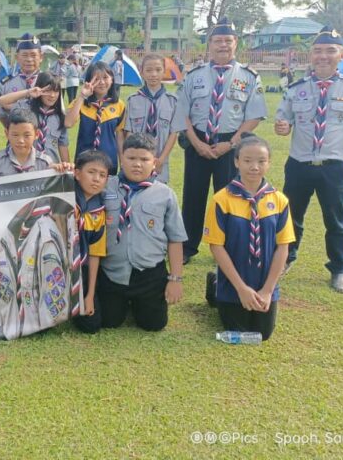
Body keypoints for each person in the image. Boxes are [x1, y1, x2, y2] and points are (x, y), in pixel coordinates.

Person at [274, 26, 343, 293]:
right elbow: (283, 120)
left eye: (330, 50)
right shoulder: (296, 88)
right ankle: (285, 259)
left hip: (334, 166)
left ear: (342, 55)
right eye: (318, 51)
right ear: (311, 55)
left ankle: (339, 268)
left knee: (336, 220)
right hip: (299, 164)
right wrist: (282, 127)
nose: (323, 56)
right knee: (291, 216)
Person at [173, 17, 267, 264]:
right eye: (217, 41)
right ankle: (188, 247)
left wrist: (232, 143)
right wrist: (196, 143)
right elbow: (182, 112)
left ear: (236, 43)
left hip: (231, 144)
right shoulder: (193, 75)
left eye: (228, 40)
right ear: (209, 44)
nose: (223, 45)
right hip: (197, 141)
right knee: (193, 197)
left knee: (230, 198)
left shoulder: (249, 77)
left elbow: (254, 115)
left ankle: (228, 246)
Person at [203, 133, 295, 340]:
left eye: (261, 161)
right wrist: (241, 289)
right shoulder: (222, 199)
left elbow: (283, 247)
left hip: (264, 281)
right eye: (247, 161)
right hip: (234, 283)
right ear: (236, 162)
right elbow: (216, 246)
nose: (254, 167)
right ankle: (216, 284)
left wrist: (267, 290)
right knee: (238, 329)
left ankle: (254, 291)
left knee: (263, 333)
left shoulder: (279, 200)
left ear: (269, 163)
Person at [99, 134, 186, 332]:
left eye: (144, 159)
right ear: (121, 159)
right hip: (112, 272)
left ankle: (140, 303)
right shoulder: (105, 187)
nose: (137, 164)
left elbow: (175, 239)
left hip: (149, 274)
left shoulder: (165, 194)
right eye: (131, 158)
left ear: (154, 162)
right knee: (108, 321)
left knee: (153, 324)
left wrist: (175, 279)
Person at [72, 149, 112, 334]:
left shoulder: (99, 212)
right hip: (56, 266)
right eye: (91, 172)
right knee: (43, 327)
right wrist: (58, 167)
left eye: (102, 175)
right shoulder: (64, 195)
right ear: (77, 173)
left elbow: (95, 255)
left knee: (91, 325)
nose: (96, 179)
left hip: (83, 268)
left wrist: (89, 295)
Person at [124, 53, 178, 183]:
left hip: (160, 162)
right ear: (141, 72)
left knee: (158, 192)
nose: (153, 74)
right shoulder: (132, 100)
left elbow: (173, 134)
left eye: (158, 70)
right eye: (148, 70)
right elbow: (129, 133)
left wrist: (161, 159)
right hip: (137, 162)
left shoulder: (173, 101)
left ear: (164, 72)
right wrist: (133, 157)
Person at [65, 61, 126, 174]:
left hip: (109, 162)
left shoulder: (119, 105)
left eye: (105, 77)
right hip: (84, 161)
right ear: (89, 81)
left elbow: (119, 136)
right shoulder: (81, 102)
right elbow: (68, 123)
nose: (101, 82)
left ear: (112, 79)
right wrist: (82, 96)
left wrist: (123, 163)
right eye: (96, 79)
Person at [0, 71, 70, 164]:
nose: (52, 95)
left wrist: (67, 168)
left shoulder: (59, 116)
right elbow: (2, 101)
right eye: (47, 91)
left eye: (56, 91)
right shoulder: (25, 108)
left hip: (50, 166)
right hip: (24, 165)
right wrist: (28, 92)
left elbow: (63, 145)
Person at [0, 109, 70, 177]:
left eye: (27, 135)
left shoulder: (45, 163)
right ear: (7, 134)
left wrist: (61, 170)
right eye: (15, 135)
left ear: (37, 134)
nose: (21, 140)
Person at [0, 33, 43, 128]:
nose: (29, 59)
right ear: (17, 57)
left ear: (41, 57)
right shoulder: (6, 83)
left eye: (33, 55)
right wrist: (13, 130)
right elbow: (0, 114)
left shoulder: (50, 82)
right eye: (24, 55)